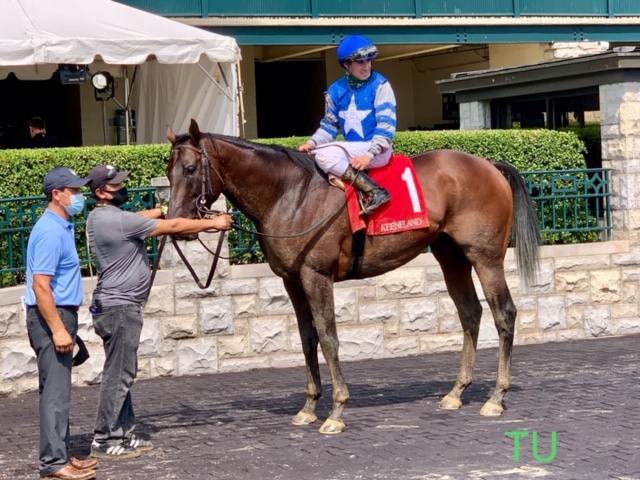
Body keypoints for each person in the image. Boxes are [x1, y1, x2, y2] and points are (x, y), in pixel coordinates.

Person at [86, 164, 234, 459]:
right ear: (101, 192)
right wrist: (214, 224)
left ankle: (123, 434)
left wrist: (163, 209)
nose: (122, 189)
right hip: (120, 309)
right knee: (120, 375)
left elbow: (142, 218)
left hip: (115, 307)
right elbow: (174, 227)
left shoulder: (103, 217)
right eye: (116, 186)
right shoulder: (116, 221)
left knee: (122, 372)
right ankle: (104, 439)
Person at [25, 167, 98, 480]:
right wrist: (57, 328)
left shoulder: (61, 226)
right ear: (57, 194)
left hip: (60, 313)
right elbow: (41, 285)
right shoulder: (50, 231)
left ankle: (60, 453)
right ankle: (54, 463)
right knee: (55, 394)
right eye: (75, 190)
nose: (79, 196)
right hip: (51, 316)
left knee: (57, 391)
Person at [299, 34, 397, 215]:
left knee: (325, 156)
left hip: (378, 150)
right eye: (360, 62)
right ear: (346, 65)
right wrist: (311, 143)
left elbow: (386, 126)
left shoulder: (381, 85)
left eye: (369, 61)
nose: (367, 66)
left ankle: (374, 191)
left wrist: (369, 155)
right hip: (354, 149)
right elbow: (329, 126)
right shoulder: (335, 90)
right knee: (315, 153)